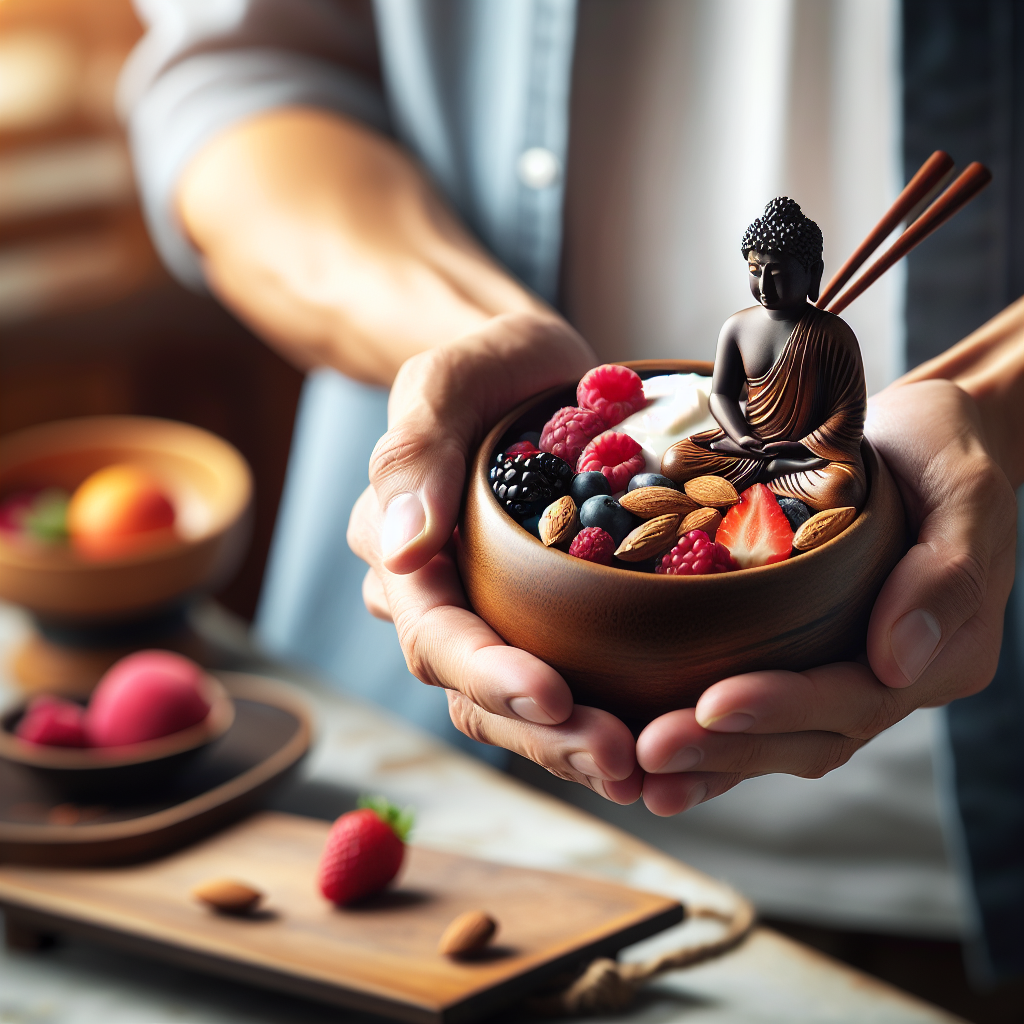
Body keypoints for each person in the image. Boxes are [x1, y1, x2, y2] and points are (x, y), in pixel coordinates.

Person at [120, 0, 1021, 985]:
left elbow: (831, 420)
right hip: (467, 826)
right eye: (761, 270)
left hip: (941, 877)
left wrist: (984, 401)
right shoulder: (741, 338)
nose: (771, 283)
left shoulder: (821, 339)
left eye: (785, 271)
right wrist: (459, 340)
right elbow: (244, 84)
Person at [662, 197, 868, 511]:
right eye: (756, 271)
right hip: (750, 446)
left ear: (813, 273)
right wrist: (742, 437)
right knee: (675, 460)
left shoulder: (833, 334)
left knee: (842, 490)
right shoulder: (737, 326)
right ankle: (771, 472)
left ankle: (766, 474)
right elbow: (721, 396)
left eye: (779, 274)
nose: (765, 288)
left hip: (806, 455)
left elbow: (849, 415)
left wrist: (801, 446)